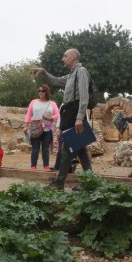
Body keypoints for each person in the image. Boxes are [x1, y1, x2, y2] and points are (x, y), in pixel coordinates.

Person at [32, 48, 92, 190]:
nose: (62, 59)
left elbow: (84, 96)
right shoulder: (71, 74)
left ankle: (59, 183)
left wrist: (79, 117)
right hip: (69, 113)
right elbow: (56, 81)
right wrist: (44, 72)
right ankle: (91, 183)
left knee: (65, 149)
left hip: (75, 113)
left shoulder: (81, 71)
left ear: (73, 57)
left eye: (65, 56)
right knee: (81, 150)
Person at [24, 84, 59, 171]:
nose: (41, 93)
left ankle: (46, 166)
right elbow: (29, 114)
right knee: (35, 148)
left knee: (45, 149)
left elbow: (57, 115)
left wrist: (51, 118)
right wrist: (26, 126)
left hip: (47, 129)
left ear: (47, 92)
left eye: (43, 91)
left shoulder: (52, 103)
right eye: (39, 91)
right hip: (35, 127)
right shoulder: (33, 102)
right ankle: (33, 166)